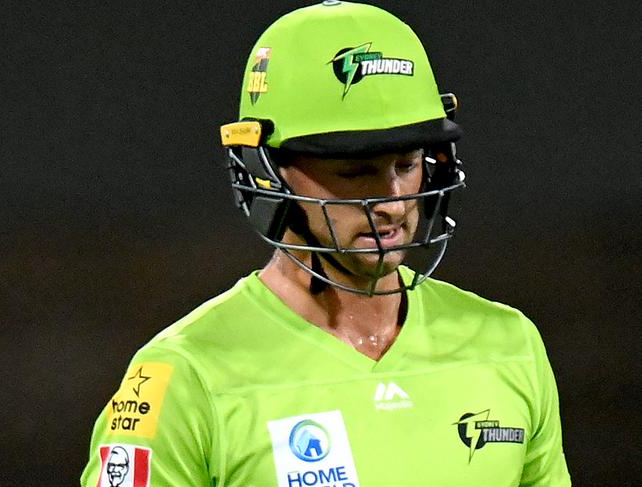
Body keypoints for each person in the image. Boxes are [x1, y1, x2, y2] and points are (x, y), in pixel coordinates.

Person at [82, 2, 571, 486]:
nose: (394, 202)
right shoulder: (185, 377)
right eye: (355, 173)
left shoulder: (510, 346)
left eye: (407, 164)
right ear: (266, 172)